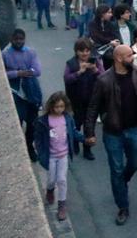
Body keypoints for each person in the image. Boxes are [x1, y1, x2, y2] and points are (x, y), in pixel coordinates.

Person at [84, 44, 137, 225]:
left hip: (134, 128)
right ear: (119, 58)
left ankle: (120, 183)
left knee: (134, 162)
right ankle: (123, 206)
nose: (132, 58)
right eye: (129, 56)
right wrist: (89, 132)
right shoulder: (104, 80)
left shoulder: (136, 73)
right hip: (113, 132)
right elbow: (93, 107)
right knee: (116, 169)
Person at [34, 91, 80, 222]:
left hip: (63, 155)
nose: (59, 109)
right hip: (51, 156)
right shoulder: (44, 121)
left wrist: (84, 139)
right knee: (51, 179)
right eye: (56, 107)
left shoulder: (67, 119)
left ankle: (62, 205)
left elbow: (74, 132)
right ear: (51, 107)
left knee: (62, 180)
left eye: (62, 106)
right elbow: (38, 139)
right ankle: (50, 190)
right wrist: (40, 152)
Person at [3, 28, 43, 162]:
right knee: (17, 123)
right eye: (16, 39)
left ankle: (30, 148)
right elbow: (2, 74)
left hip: (31, 93)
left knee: (32, 125)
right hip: (16, 95)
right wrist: (17, 73)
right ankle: (17, 152)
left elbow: (37, 71)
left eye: (21, 39)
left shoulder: (30, 52)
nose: (19, 42)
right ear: (11, 39)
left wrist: (17, 72)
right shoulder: (5, 54)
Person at [62, 37, 103, 160]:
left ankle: (87, 149)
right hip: (75, 100)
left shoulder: (95, 61)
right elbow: (67, 79)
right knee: (76, 123)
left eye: (87, 51)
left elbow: (104, 77)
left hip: (92, 100)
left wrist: (95, 70)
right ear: (76, 51)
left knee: (89, 125)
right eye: (81, 51)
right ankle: (75, 142)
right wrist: (79, 72)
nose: (85, 53)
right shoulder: (71, 63)